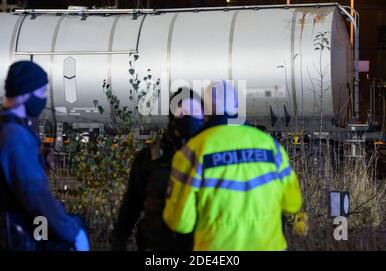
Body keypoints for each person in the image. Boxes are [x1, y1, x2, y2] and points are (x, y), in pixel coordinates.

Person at [163, 80, 303, 251]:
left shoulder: (191, 153)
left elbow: (181, 223)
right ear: (237, 106)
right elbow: (292, 204)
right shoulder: (270, 147)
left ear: (206, 112)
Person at [0, 60, 89, 251]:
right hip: (19, 238)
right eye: (41, 92)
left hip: (5, 233)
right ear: (24, 93)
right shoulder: (14, 136)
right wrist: (72, 232)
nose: (44, 99)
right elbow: (35, 195)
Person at [112, 88, 204, 251]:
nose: (189, 117)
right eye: (182, 112)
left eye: (195, 112)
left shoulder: (210, 155)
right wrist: (119, 239)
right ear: (172, 116)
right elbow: (132, 202)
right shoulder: (150, 157)